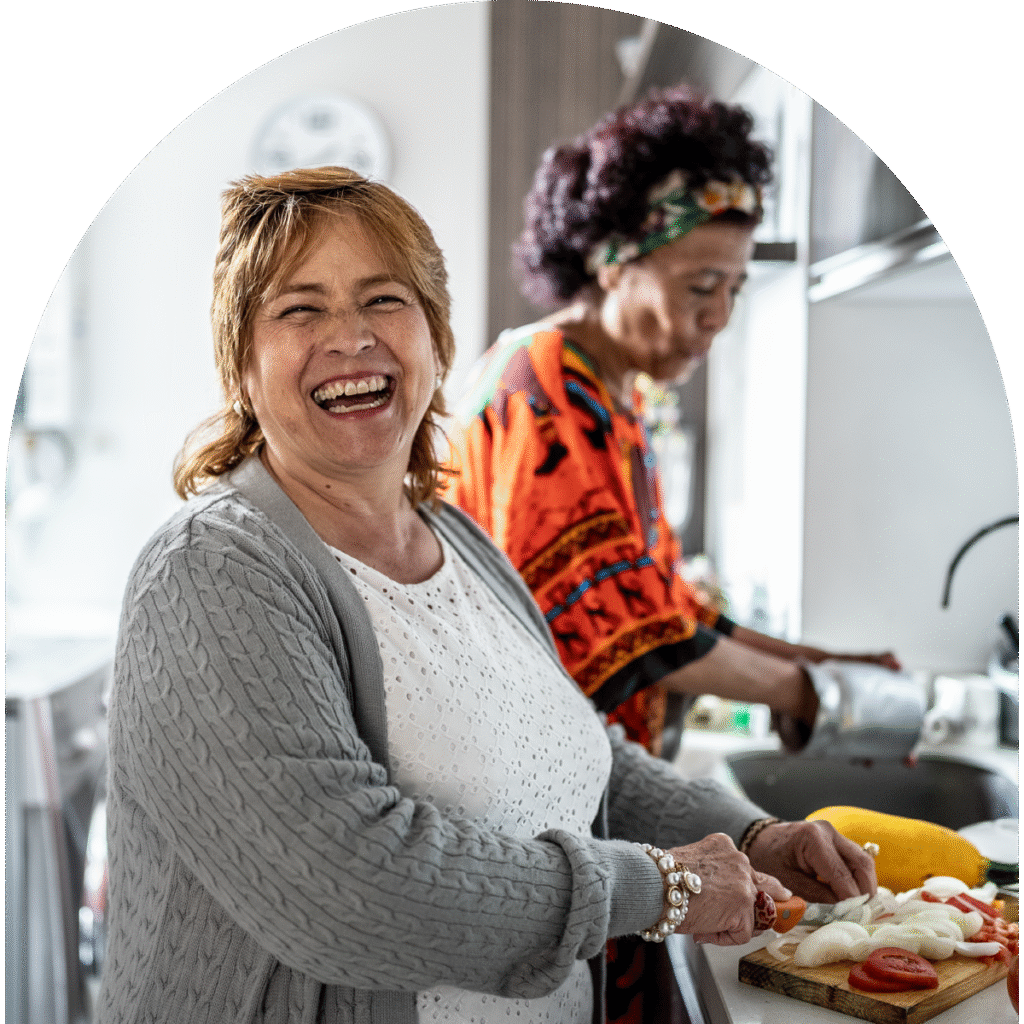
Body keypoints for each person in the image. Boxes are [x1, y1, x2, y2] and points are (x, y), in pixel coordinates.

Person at [96, 167, 876, 1024]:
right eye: (299, 309)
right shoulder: (212, 574)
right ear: (241, 364)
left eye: (384, 300)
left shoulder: (455, 538)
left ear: (435, 340)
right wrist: (661, 888)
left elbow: (570, 757)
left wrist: (753, 836)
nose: (351, 338)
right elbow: (350, 888)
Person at [445, 86, 901, 759]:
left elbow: (662, 606)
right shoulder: (546, 390)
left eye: (733, 289)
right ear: (612, 263)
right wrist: (808, 691)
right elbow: (613, 625)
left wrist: (821, 663)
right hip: (527, 784)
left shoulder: (606, 395)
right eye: (699, 286)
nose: (719, 316)